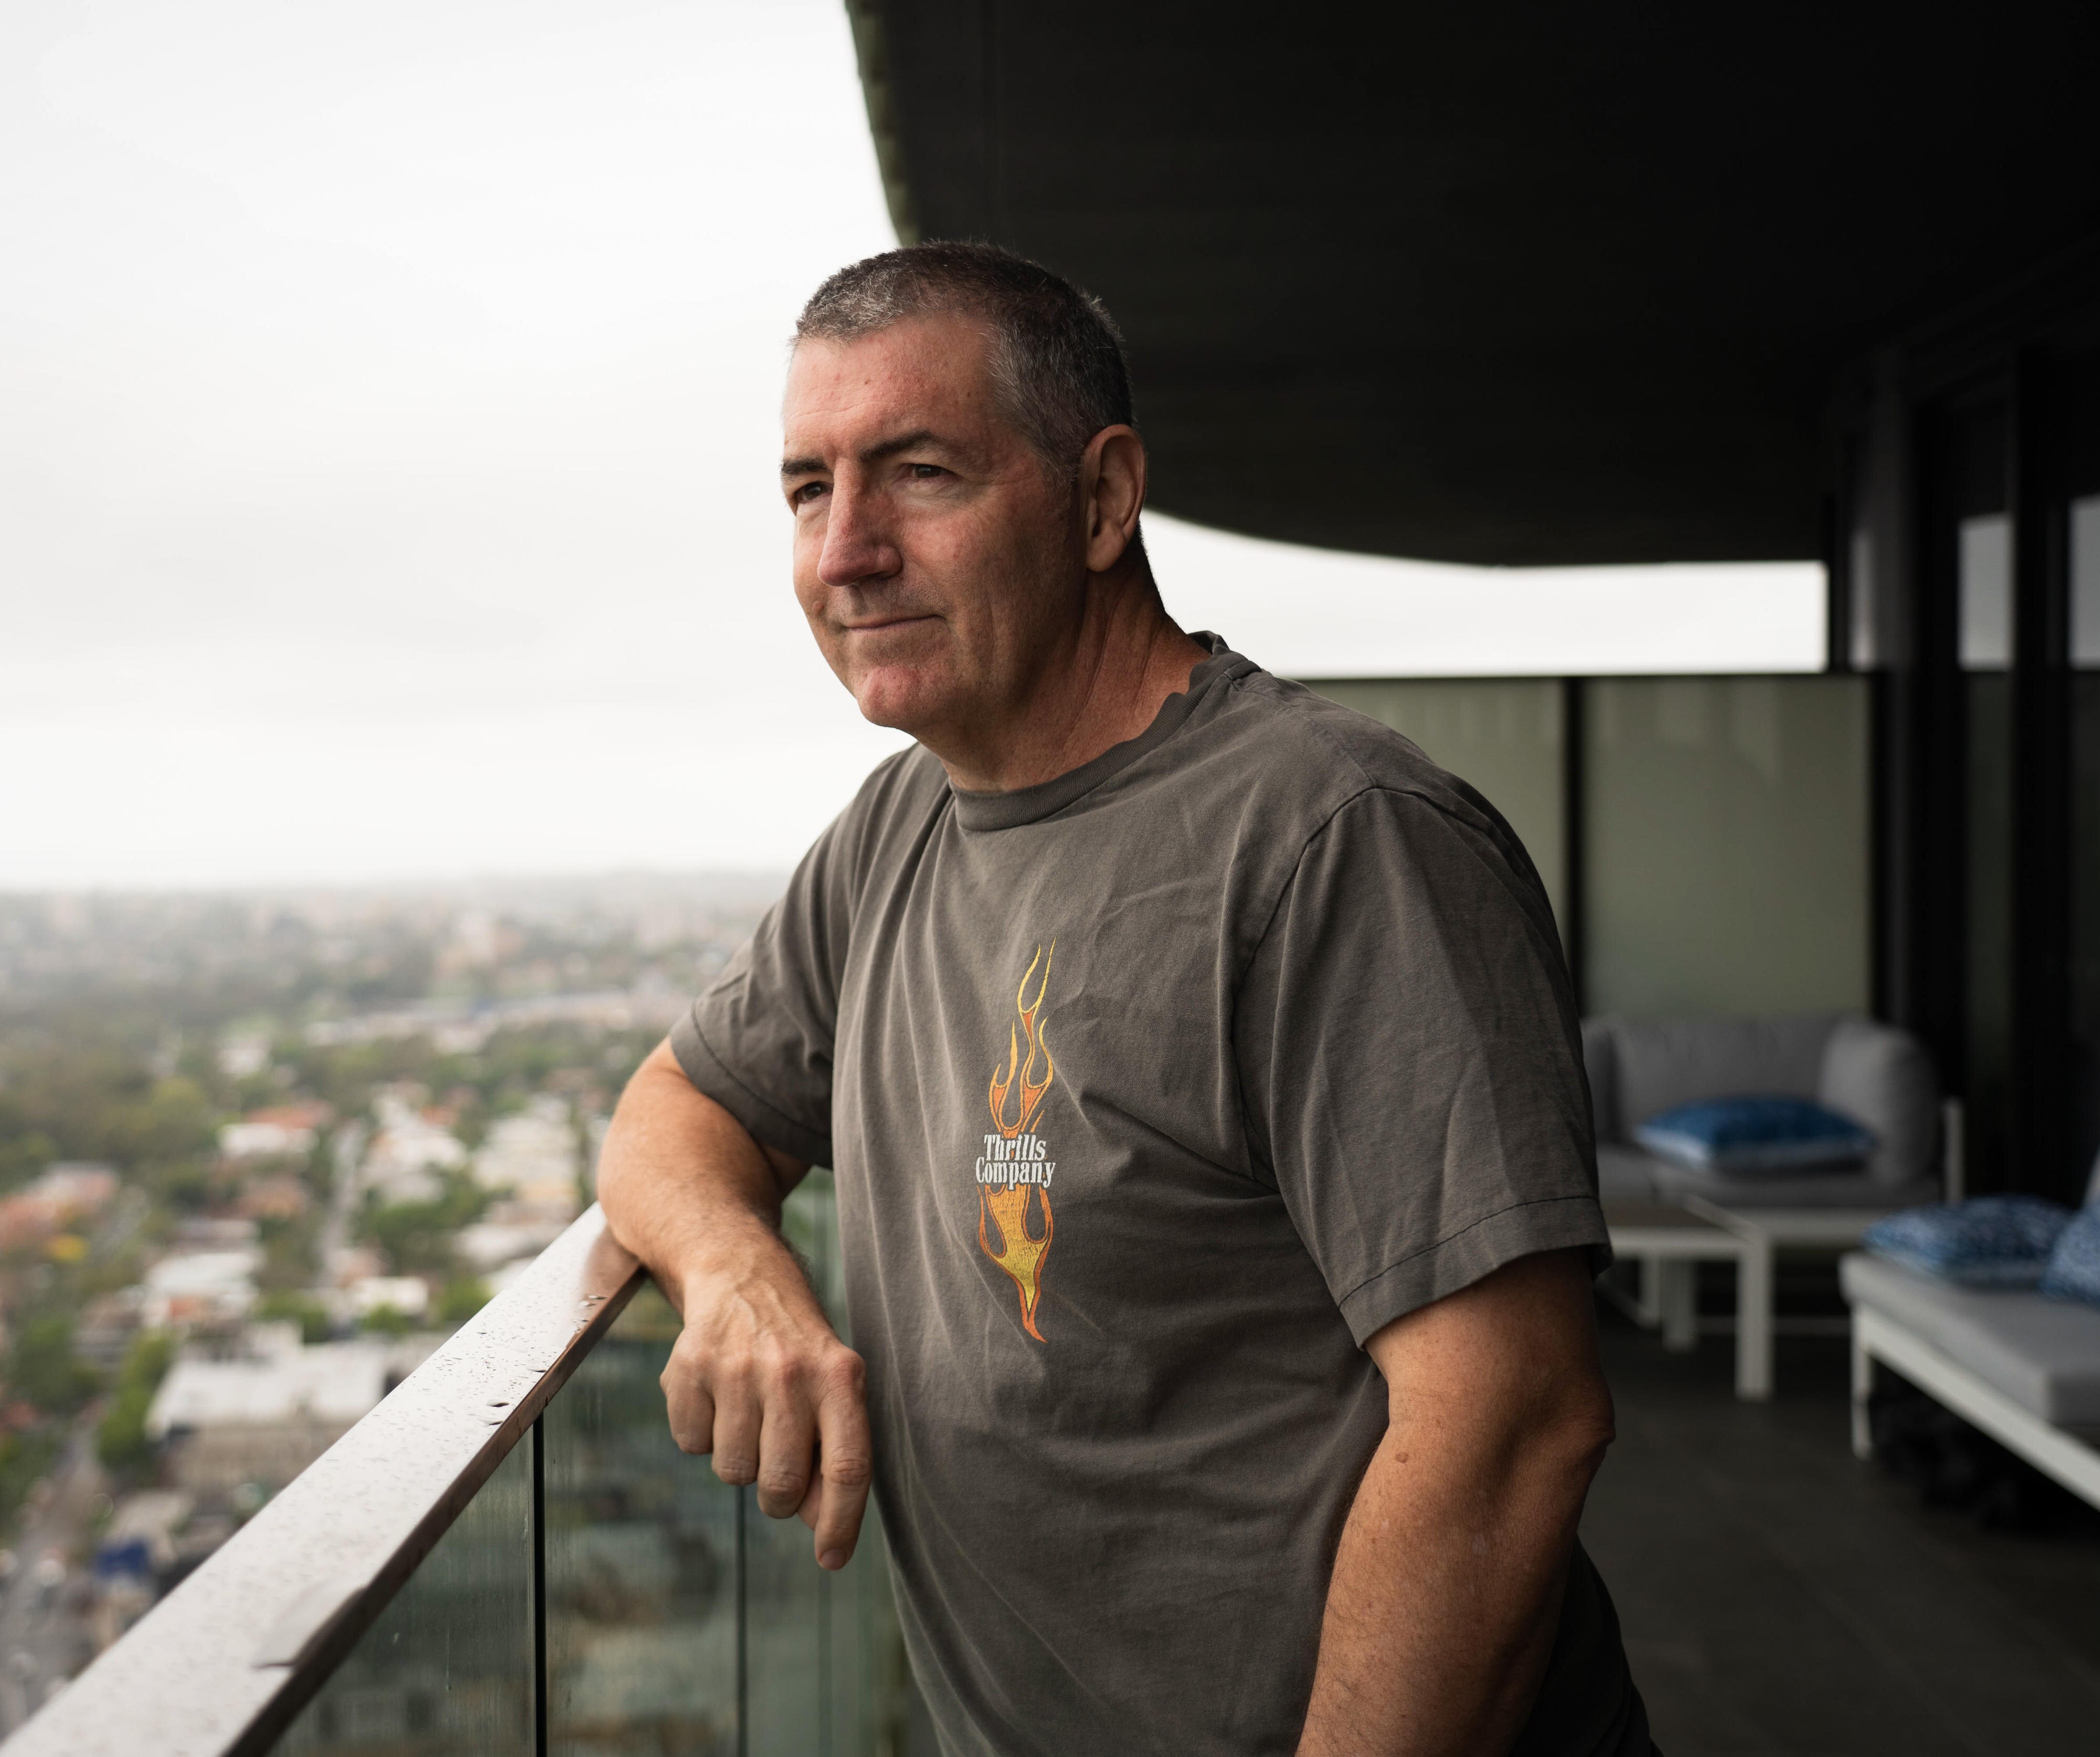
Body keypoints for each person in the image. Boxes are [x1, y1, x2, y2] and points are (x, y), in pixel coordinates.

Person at [596, 241, 1652, 1756]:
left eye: (920, 474)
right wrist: (736, 1273)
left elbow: (1517, 1422)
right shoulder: (897, 831)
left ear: (1101, 501)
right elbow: (674, 1108)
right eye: (808, 491)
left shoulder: (1331, 839)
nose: (846, 551)